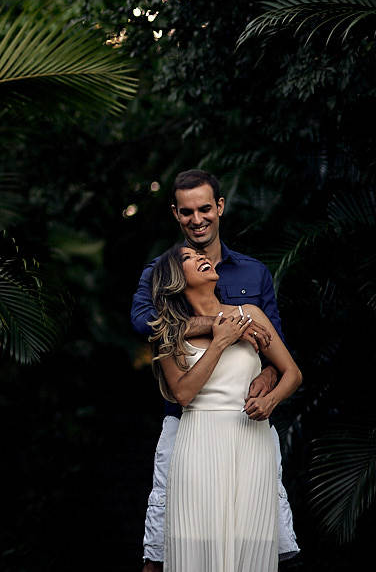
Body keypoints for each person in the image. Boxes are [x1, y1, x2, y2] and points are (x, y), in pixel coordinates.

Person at [132, 170, 300, 569]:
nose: (197, 219)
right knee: (165, 539)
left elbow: (275, 345)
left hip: (249, 427)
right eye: (187, 212)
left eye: (205, 208)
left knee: (260, 536)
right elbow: (146, 324)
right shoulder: (161, 271)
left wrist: (268, 378)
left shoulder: (253, 272)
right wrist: (221, 327)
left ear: (219, 207)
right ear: (176, 214)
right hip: (187, 426)